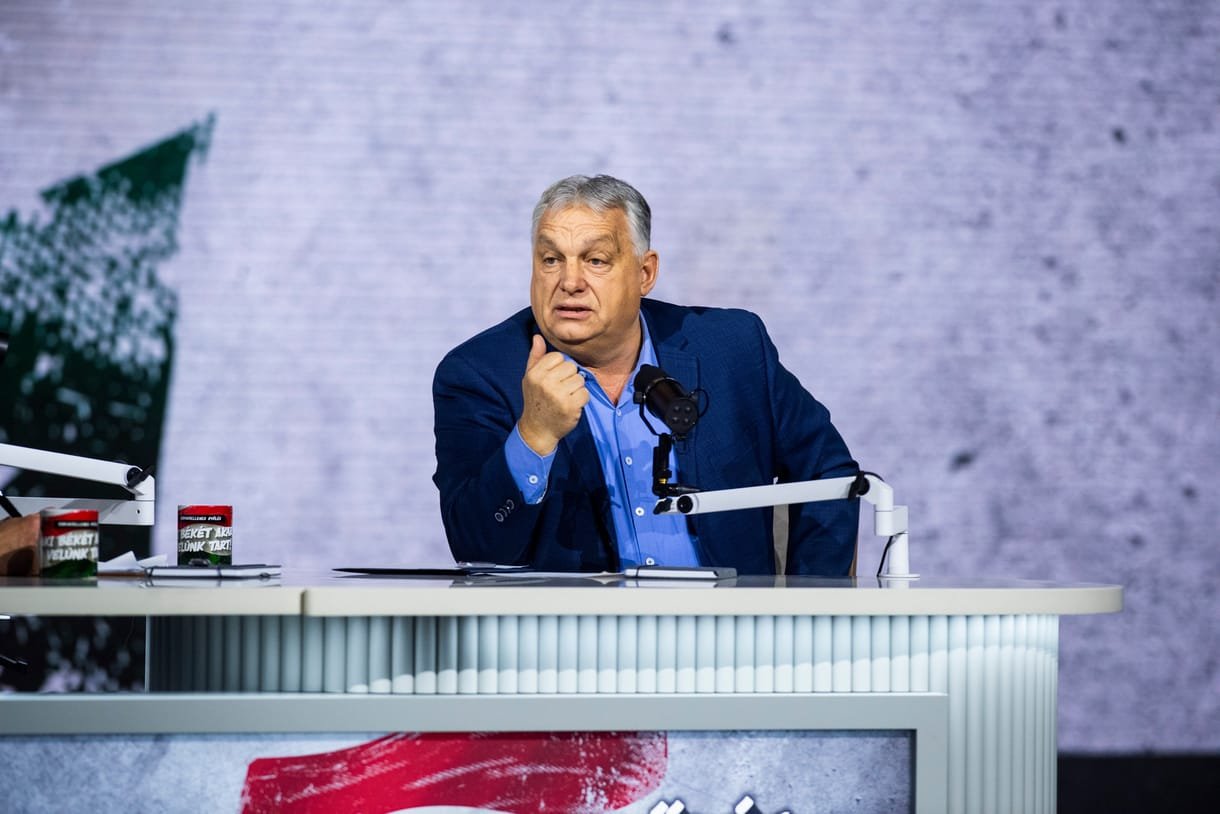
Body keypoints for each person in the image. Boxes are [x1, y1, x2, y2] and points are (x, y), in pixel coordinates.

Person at [432, 175, 859, 575]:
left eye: (595, 260)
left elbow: (829, 474)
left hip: (727, 624)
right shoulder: (478, 375)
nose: (570, 281)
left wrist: (809, 605)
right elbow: (475, 547)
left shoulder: (732, 348)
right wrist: (534, 436)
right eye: (551, 259)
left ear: (645, 273)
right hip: (578, 629)